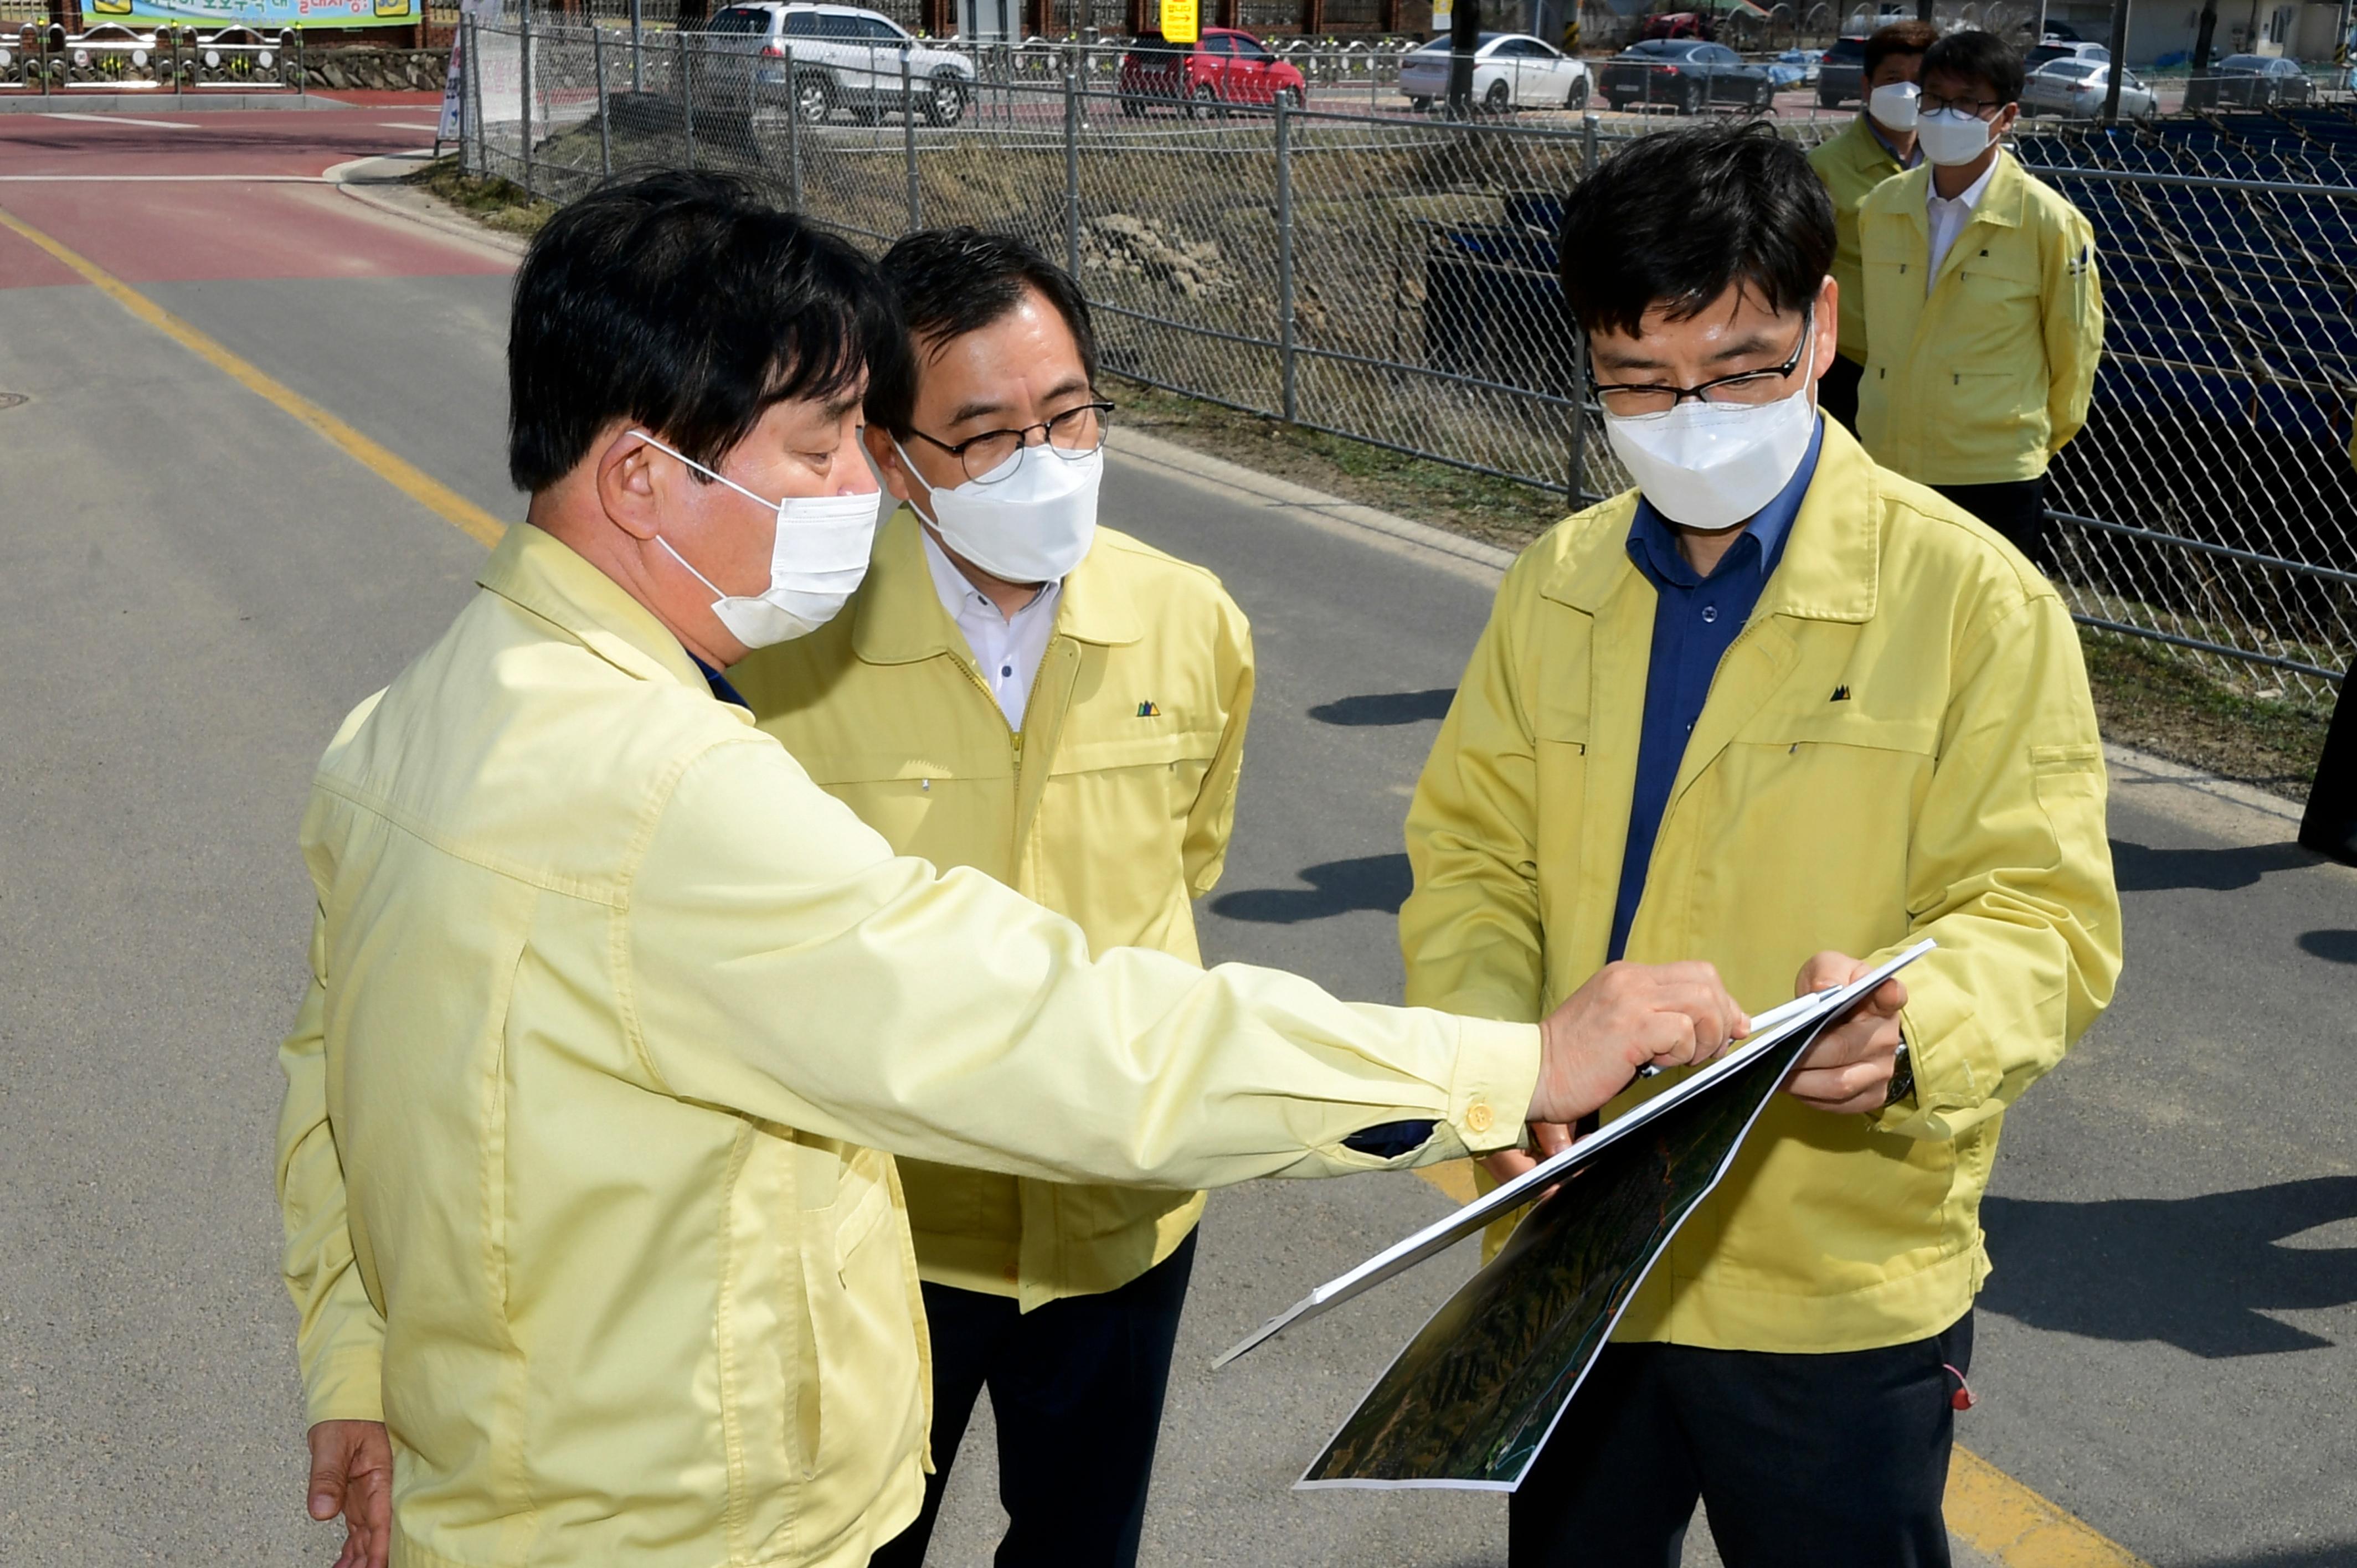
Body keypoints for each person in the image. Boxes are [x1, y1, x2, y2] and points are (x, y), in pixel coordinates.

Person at [279, 171, 1753, 1568]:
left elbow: (336, 1073)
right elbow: (1065, 1031)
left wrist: (356, 1359)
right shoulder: (664, 790)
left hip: (526, 1472)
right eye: (822, 445)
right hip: (684, 1517)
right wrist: (1515, 1064)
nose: (866, 483)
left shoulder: (417, 719)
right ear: (643, 478)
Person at [1400, 124, 2122, 1566]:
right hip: (1577, 1253)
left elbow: (2042, 913)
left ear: (1825, 324)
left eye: (1742, 369)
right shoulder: (1559, 584)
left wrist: (1918, 1028)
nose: (1694, 419)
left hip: (1831, 1280)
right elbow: (1473, 857)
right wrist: (1505, 1053)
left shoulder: (1972, 600)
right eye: (1641, 384)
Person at [729, 228, 1246, 1568]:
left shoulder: (1191, 621)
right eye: (988, 433)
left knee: (1081, 1547)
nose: (1046, 459)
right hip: (878, 1234)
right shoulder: (790, 661)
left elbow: (1186, 867)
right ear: (893, 458)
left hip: (1116, 1221)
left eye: (1068, 415)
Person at [1856, 29, 2104, 570]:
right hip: (1887, 458)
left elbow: (2073, 357)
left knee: (1983, 636)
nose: (1947, 116)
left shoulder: (2049, 222)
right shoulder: (1880, 207)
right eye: (1935, 99)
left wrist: (2019, 438)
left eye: (1968, 103)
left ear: (2006, 116)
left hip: (1992, 475)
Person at [1805, 19, 1932, 430]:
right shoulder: (1825, 166)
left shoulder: (1951, 167)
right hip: (1849, 362)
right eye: (1894, 79)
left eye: (1920, 80)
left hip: (1931, 363)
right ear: (1867, 87)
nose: (1908, 92)